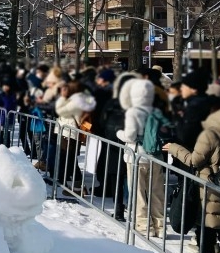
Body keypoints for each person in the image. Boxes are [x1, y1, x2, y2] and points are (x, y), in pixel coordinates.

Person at [164, 94, 220, 253]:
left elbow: (194, 161)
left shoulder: (210, 134)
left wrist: (175, 148)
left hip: (210, 191)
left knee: (207, 234)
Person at [117, 78, 165, 237]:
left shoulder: (133, 112)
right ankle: (160, 226)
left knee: (138, 193)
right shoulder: (156, 110)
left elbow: (130, 136)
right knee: (156, 192)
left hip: (137, 156)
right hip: (156, 156)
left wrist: (119, 134)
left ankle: (144, 225)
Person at [97, 71, 141, 222]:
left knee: (116, 177)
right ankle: (135, 209)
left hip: (113, 145)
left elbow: (102, 122)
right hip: (132, 145)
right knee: (133, 178)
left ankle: (118, 209)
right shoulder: (137, 105)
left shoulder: (111, 103)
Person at [55, 80, 96, 192]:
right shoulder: (77, 100)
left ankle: (79, 187)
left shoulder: (76, 101)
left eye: (66, 89)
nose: (64, 91)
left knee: (71, 161)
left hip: (70, 133)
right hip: (67, 132)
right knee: (68, 160)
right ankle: (70, 185)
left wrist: (63, 97)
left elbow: (60, 110)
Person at [0, 80, 18, 147]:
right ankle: (1, 146)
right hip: (1, 117)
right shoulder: (0, 95)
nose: (5, 87)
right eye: (4, 86)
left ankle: (7, 147)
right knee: (0, 133)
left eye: (7, 86)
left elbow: (13, 105)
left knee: (8, 134)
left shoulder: (12, 95)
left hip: (10, 117)